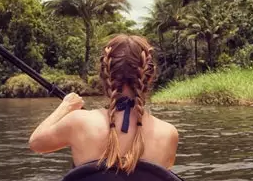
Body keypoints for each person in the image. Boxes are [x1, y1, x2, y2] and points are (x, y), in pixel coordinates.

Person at [28, 34, 179, 172]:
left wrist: (66, 106)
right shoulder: (168, 133)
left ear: (104, 75)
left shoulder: (79, 121)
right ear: (149, 76)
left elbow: (36, 143)